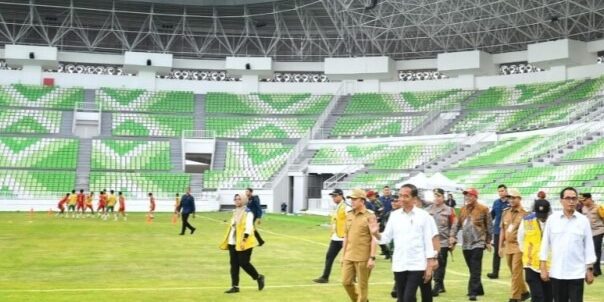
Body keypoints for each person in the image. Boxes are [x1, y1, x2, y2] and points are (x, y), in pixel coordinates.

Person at [372, 184, 438, 302]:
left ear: (414, 199)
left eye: (406, 196)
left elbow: (429, 241)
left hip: (417, 264)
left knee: (408, 298)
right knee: (402, 298)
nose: (402, 199)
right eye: (400, 196)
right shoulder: (394, 215)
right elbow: (385, 238)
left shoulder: (424, 216)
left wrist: (430, 264)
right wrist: (376, 233)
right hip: (399, 263)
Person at [540, 187, 596, 302]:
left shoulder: (583, 221)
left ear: (577, 201)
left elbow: (589, 246)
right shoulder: (552, 220)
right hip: (557, 273)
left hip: (577, 273)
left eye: (574, 198)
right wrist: (543, 267)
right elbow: (545, 244)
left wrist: (589, 270)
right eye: (568, 198)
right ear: (561, 200)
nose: (571, 201)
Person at [450, 188, 492, 301]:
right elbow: (456, 224)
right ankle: (479, 288)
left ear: (475, 197)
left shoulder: (483, 209)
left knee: (475, 267)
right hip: (466, 244)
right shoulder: (463, 210)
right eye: (466, 196)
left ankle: (472, 292)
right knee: (472, 268)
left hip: (478, 242)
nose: (467, 197)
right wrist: (452, 236)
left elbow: (489, 226)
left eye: (470, 195)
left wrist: (488, 241)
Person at [220, 193, 264, 294]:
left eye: (239, 199)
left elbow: (249, 227)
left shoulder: (248, 213)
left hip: (245, 242)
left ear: (243, 200)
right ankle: (235, 287)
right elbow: (234, 226)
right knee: (234, 265)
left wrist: (243, 240)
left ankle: (258, 277)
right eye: (235, 199)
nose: (236, 201)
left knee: (244, 263)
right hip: (233, 242)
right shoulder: (235, 212)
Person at [342, 188, 377, 302]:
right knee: (346, 282)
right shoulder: (349, 215)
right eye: (351, 199)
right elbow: (346, 236)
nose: (352, 201)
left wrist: (372, 257)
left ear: (362, 200)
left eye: (354, 199)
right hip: (349, 255)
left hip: (363, 258)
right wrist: (343, 255)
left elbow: (374, 238)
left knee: (362, 287)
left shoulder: (370, 216)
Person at [518, 198, 553, 302]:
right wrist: (528, 253)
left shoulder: (554, 222)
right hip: (531, 265)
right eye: (539, 215)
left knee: (548, 297)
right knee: (538, 297)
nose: (542, 218)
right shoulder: (527, 221)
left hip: (549, 266)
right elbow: (520, 239)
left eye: (544, 215)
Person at [499, 189, 530, 302]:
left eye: (513, 198)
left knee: (516, 272)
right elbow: (502, 229)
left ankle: (514, 297)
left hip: (519, 246)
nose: (511, 200)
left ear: (519, 199)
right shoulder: (505, 212)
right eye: (509, 198)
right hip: (508, 246)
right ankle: (525, 292)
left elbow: (529, 232)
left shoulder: (526, 214)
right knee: (513, 271)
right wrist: (500, 246)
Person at [426, 188, 457, 297]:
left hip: (443, 241)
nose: (436, 198)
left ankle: (437, 285)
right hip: (429, 242)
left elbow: (454, 225)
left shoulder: (449, 210)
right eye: (435, 196)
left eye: (439, 196)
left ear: (443, 197)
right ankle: (441, 285)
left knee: (440, 264)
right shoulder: (427, 210)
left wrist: (452, 238)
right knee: (431, 263)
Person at [314, 189, 348, 284]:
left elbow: (351, 221)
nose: (333, 198)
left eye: (335, 196)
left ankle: (352, 277)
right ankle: (325, 276)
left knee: (348, 258)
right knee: (329, 256)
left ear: (341, 195)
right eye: (332, 196)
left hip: (344, 237)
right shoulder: (337, 207)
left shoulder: (346, 207)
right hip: (336, 236)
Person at [579, 193, 604, 277]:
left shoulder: (598, 208)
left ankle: (596, 271)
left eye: (584, 200)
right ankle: (591, 269)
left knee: (596, 250)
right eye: (582, 200)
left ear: (590, 199)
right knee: (588, 250)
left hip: (598, 231)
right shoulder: (583, 208)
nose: (583, 202)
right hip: (588, 232)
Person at [489, 184, 509, 279]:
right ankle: (495, 272)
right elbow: (492, 215)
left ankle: (515, 272)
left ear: (506, 191)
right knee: (497, 252)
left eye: (502, 190)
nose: (501, 193)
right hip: (497, 230)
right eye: (499, 191)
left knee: (511, 251)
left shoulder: (511, 202)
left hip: (509, 231)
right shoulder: (496, 202)